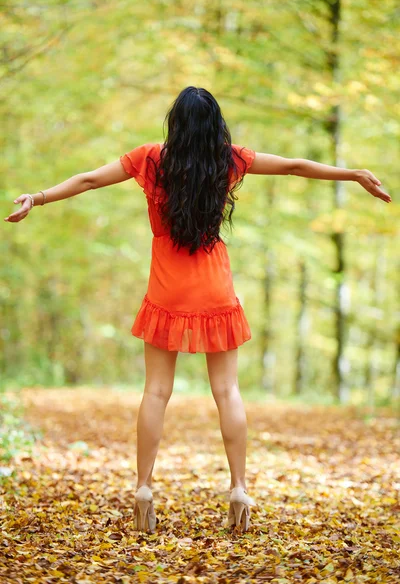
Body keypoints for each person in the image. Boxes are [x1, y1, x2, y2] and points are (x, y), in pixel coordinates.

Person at [4, 86, 391, 534]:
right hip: (214, 290)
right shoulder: (228, 160)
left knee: (155, 392)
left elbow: (89, 179)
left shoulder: (150, 159)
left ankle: (144, 488)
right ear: (214, 126)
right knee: (227, 392)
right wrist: (352, 174)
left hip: (166, 291)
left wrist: (39, 197)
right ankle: (239, 488)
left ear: (175, 124)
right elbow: (294, 167)